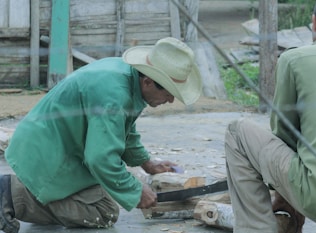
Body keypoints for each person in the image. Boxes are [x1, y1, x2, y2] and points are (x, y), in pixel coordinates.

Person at [0, 37, 202, 233]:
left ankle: (30, 194)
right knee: (103, 212)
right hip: (46, 154)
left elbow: (124, 129)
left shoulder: (129, 77)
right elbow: (100, 159)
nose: (170, 101)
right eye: (169, 94)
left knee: (106, 192)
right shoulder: (114, 95)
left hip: (53, 145)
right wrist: (136, 190)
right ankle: (11, 195)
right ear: (149, 82)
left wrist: (146, 163)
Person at [224, 0, 316, 232]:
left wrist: (286, 194)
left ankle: (258, 228)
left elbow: (285, 135)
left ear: (315, 23)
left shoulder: (296, 59)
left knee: (237, 132)